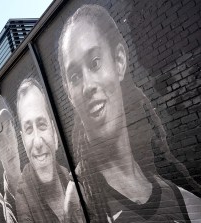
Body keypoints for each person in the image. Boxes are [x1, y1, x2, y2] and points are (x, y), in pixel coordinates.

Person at [57, 4, 201, 222]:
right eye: (75, 76)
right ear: (69, 93)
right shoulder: (80, 201)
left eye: (95, 63)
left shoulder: (185, 203)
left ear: (120, 61)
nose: (87, 86)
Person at [15, 78, 84, 222]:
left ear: (54, 133)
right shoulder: (23, 197)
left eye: (41, 125)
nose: (38, 142)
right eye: (28, 129)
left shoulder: (70, 178)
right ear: (22, 141)